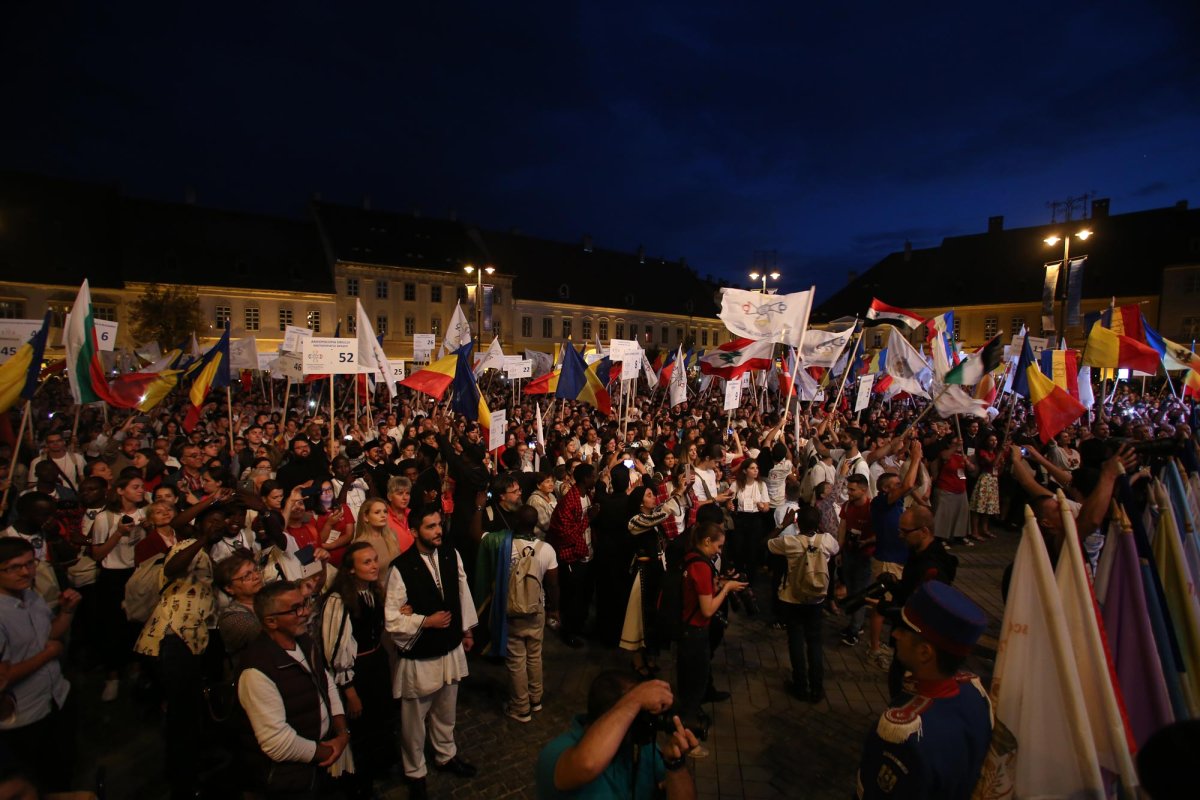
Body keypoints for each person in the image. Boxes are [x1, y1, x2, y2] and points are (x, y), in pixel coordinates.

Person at [855, 581, 992, 799]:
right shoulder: (975, 692)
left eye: (903, 631)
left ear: (925, 652)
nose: (896, 635)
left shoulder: (903, 735)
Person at [383, 506, 478, 799]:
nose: (438, 530)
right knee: (414, 719)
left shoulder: (451, 554)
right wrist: (426, 620)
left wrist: (466, 630)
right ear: (414, 531)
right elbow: (392, 617)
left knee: (446, 710)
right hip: (421, 652)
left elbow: (462, 593)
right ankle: (415, 771)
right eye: (430, 526)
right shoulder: (400, 567)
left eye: (439, 524)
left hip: (449, 647)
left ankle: (446, 754)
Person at [236, 580, 351, 799]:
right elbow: (277, 743)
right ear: (271, 621)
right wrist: (328, 751)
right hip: (290, 779)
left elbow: (326, 684)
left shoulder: (304, 641)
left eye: (304, 603)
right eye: (295, 609)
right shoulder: (257, 670)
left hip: (319, 763)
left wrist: (342, 733)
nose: (306, 612)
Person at [0, 538, 82, 793]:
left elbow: (49, 636)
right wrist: (48, 655)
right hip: (24, 718)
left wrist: (67, 612)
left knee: (62, 773)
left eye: (30, 564)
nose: (26, 572)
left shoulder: (31, 596)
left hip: (55, 699)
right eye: (14, 567)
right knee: (38, 782)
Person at [536, 672, 699, 799]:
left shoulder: (643, 748)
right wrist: (635, 700)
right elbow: (587, 764)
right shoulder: (556, 752)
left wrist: (675, 765)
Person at [318, 542, 398, 798]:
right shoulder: (338, 600)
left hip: (376, 663)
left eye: (375, 560)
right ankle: (360, 781)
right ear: (351, 569)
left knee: (379, 718)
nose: (374, 565)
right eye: (366, 562)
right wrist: (350, 691)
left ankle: (378, 765)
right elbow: (335, 649)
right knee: (360, 726)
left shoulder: (372, 591)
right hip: (357, 671)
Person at [474, 505, 560, 723]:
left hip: (511, 610)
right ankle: (535, 698)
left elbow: (476, 535)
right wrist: (554, 609)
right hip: (535, 610)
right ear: (534, 524)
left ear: (515, 524)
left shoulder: (503, 544)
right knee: (534, 655)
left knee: (516, 660)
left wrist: (478, 504)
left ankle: (520, 707)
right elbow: (553, 585)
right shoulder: (547, 550)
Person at [676, 520, 747, 753]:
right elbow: (707, 609)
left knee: (689, 682)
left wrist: (717, 584)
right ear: (706, 541)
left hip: (687, 629)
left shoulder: (690, 558)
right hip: (695, 632)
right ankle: (688, 738)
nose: (719, 551)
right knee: (693, 688)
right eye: (718, 546)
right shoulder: (701, 566)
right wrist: (726, 590)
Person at [767, 506, 840, 703]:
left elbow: (766, 543)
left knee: (796, 640)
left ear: (797, 522)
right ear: (818, 523)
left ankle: (800, 684)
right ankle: (817, 687)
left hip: (792, 597)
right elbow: (835, 549)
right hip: (816, 598)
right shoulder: (826, 541)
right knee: (815, 642)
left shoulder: (790, 542)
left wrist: (784, 524)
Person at [620, 478, 685, 677]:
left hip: (656, 572)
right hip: (642, 575)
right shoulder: (635, 521)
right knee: (639, 618)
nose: (653, 497)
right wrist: (677, 495)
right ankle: (637, 660)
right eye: (649, 495)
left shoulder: (654, 520)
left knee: (653, 617)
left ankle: (649, 656)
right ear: (640, 502)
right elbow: (656, 517)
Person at [866, 440, 921, 669]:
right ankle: (875, 648)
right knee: (880, 606)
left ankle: (890, 642)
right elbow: (908, 485)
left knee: (895, 604)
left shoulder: (895, 506)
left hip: (899, 558)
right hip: (887, 561)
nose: (900, 487)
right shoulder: (882, 502)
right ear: (886, 489)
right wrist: (916, 457)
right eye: (895, 484)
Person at [548, 463, 600, 648]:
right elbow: (566, 533)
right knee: (572, 598)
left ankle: (579, 626)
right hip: (572, 556)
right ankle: (568, 632)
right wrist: (589, 518)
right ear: (585, 479)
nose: (595, 479)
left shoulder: (588, 495)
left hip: (586, 553)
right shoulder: (569, 501)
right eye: (593, 476)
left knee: (585, 595)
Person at [838, 473, 875, 646]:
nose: (849, 492)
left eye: (852, 490)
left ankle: (854, 630)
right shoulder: (847, 506)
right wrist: (839, 550)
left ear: (864, 489)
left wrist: (867, 542)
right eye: (848, 489)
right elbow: (842, 527)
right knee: (852, 590)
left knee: (860, 592)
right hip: (849, 553)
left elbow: (881, 532)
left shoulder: (872, 508)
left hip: (865, 555)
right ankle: (855, 624)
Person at [216, 552, 264, 662]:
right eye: (247, 576)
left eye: (256, 570)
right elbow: (270, 634)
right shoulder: (232, 618)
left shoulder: (267, 597)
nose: (256, 577)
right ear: (229, 588)